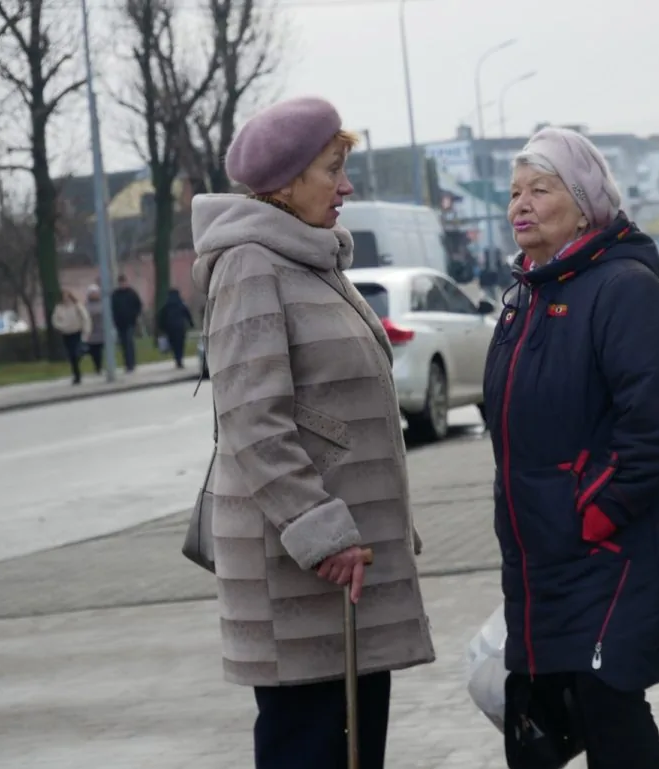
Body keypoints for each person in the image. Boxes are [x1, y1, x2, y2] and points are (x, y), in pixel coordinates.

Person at [189, 96, 435, 769]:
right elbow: (253, 419)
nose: (347, 185)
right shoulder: (251, 265)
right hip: (303, 578)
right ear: (285, 182)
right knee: (314, 747)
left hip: (340, 576)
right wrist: (322, 530)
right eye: (334, 169)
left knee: (351, 748)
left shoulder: (306, 259)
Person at [482, 127, 659, 769]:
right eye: (515, 192)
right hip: (538, 560)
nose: (520, 204)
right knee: (538, 723)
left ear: (584, 202)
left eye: (540, 190)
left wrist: (594, 511)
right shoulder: (525, 298)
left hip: (609, 554)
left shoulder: (624, 289)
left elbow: (652, 428)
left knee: (610, 709)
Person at [50, 289, 91, 385]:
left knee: (76, 352)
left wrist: (86, 330)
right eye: (64, 296)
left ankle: (78, 370)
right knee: (71, 354)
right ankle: (76, 374)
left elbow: (85, 317)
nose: (66, 298)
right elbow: (55, 320)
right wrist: (61, 327)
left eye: (67, 296)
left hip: (76, 331)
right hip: (66, 333)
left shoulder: (77, 306)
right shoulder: (59, 307)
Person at [111, 274, 143, 372]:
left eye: (123, 282)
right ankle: (127, 363)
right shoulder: (115, 295)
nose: (122, 284)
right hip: (120, 323)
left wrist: (135, 316)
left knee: (129, 342)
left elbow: (138, 305)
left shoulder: (131, 293)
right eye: (121, 283)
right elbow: (112, 308)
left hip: (130, 322)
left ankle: (131, 363)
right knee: (123, 344)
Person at [155, 288, 193, 368]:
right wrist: (191, 324)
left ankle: (177, 358)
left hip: (170, 329)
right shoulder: (181, 304)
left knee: (174, 344)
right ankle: (180, 359)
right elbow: (187, 314)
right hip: (180, 327)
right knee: (180, 344)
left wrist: (162, 328)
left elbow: (161, 317)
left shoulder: (166, 306)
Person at [83, 284, 105, 374]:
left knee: (100, 350)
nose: (94, 295)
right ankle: (97, 367)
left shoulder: (103, 303)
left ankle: (100, 366)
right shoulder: (86, 305)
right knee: (94, 350)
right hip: (91, 331)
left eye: (96, 293)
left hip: (101, 330)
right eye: (92, 293)